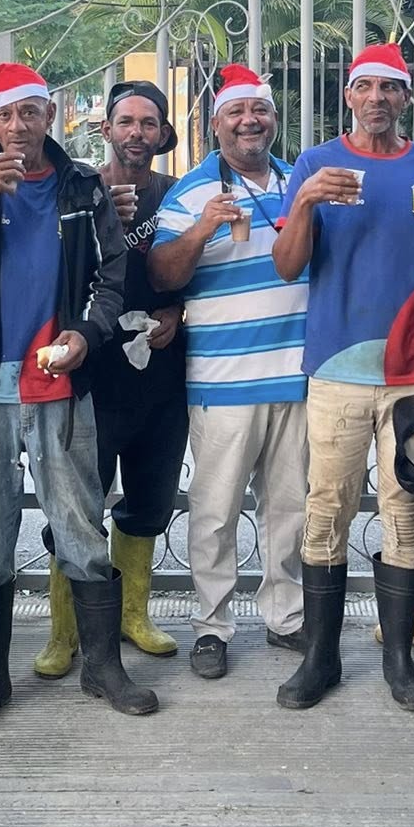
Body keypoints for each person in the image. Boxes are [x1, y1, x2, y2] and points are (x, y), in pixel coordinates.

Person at [0, 62, 158, 728]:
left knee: (80, 525)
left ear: (49, 116)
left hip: (60, 381)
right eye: (6, 115)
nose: (19, 126)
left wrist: (87, 334)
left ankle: (103, 667)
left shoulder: (82, 184)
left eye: (30, 112)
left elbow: (112, 275)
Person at [271, 43, 414, 713]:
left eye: (390, 88)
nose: (377, 99)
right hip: (336, 370)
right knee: (327, 504)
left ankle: (399, 660)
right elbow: (287, 266)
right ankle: (320, 658)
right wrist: (304, 202)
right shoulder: (315, 164)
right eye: (366, 87)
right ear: (348, 96)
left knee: (405, 508)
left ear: (406, 97)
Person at [149, 64, 309, 679]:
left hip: (294, 375)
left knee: (289, 509)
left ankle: (286, 617)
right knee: (215, 511)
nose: (250, 121)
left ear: (274, 119)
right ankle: (212, 626)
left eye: (259, 111)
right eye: (236, 112)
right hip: (222, 381)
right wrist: (202, 229)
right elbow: (163, 275)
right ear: (215, 125)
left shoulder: (299, 182)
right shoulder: (190, 192)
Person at [36, 77, 185, 677]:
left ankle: (132, 616)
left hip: (161, 380)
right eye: (126, 122)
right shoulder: (78, 193)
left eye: (148, 123)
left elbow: (200, 273)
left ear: (163, 133)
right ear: (106, 129)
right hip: (91, 377)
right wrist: (99, 227)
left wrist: (178, 313)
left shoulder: (176, 194)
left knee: (149, 502)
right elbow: (47, 274)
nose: (137, 133)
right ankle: (63, 631)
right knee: (76, 506)